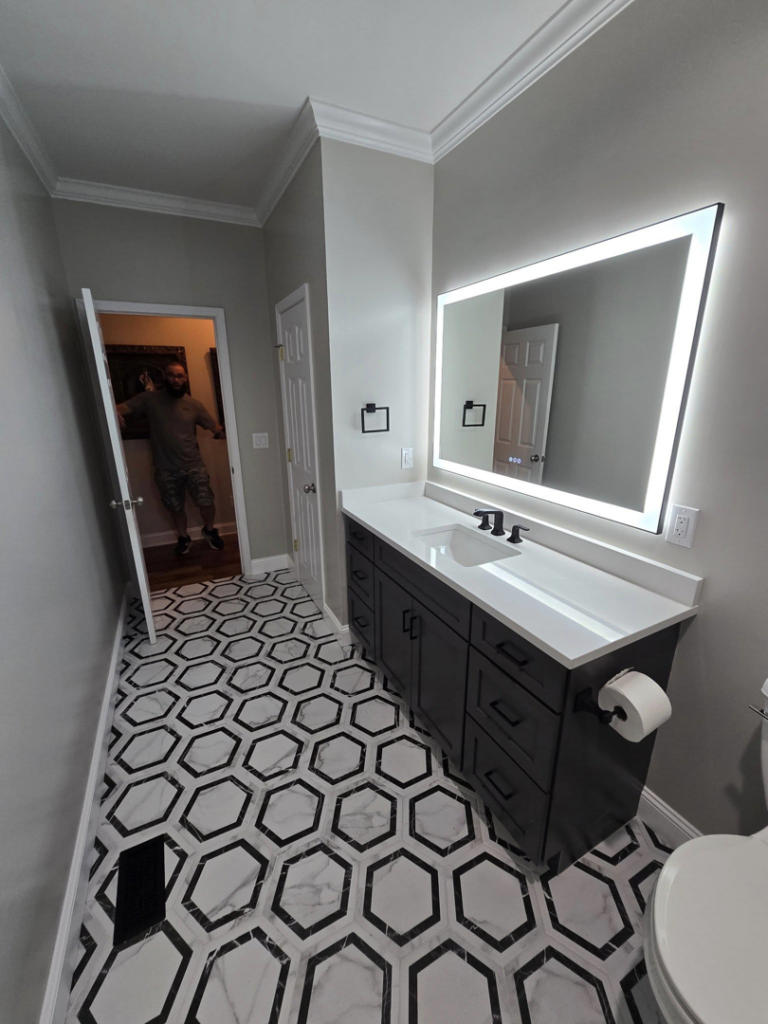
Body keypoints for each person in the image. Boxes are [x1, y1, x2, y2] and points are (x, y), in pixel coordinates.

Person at [116, 361, 226, 556]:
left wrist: (229, 433)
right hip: (165, 468)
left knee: (207, 501)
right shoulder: (149, 399)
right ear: (164, 378)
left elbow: (215, 428)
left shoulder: (194, 405)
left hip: (194, 465)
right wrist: (115, 414)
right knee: (175, 506)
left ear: (185, 378)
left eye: (180, 376)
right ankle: (183, 537)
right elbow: (120, 408)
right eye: (172, 375)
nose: (176, 379)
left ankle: (209, 530)